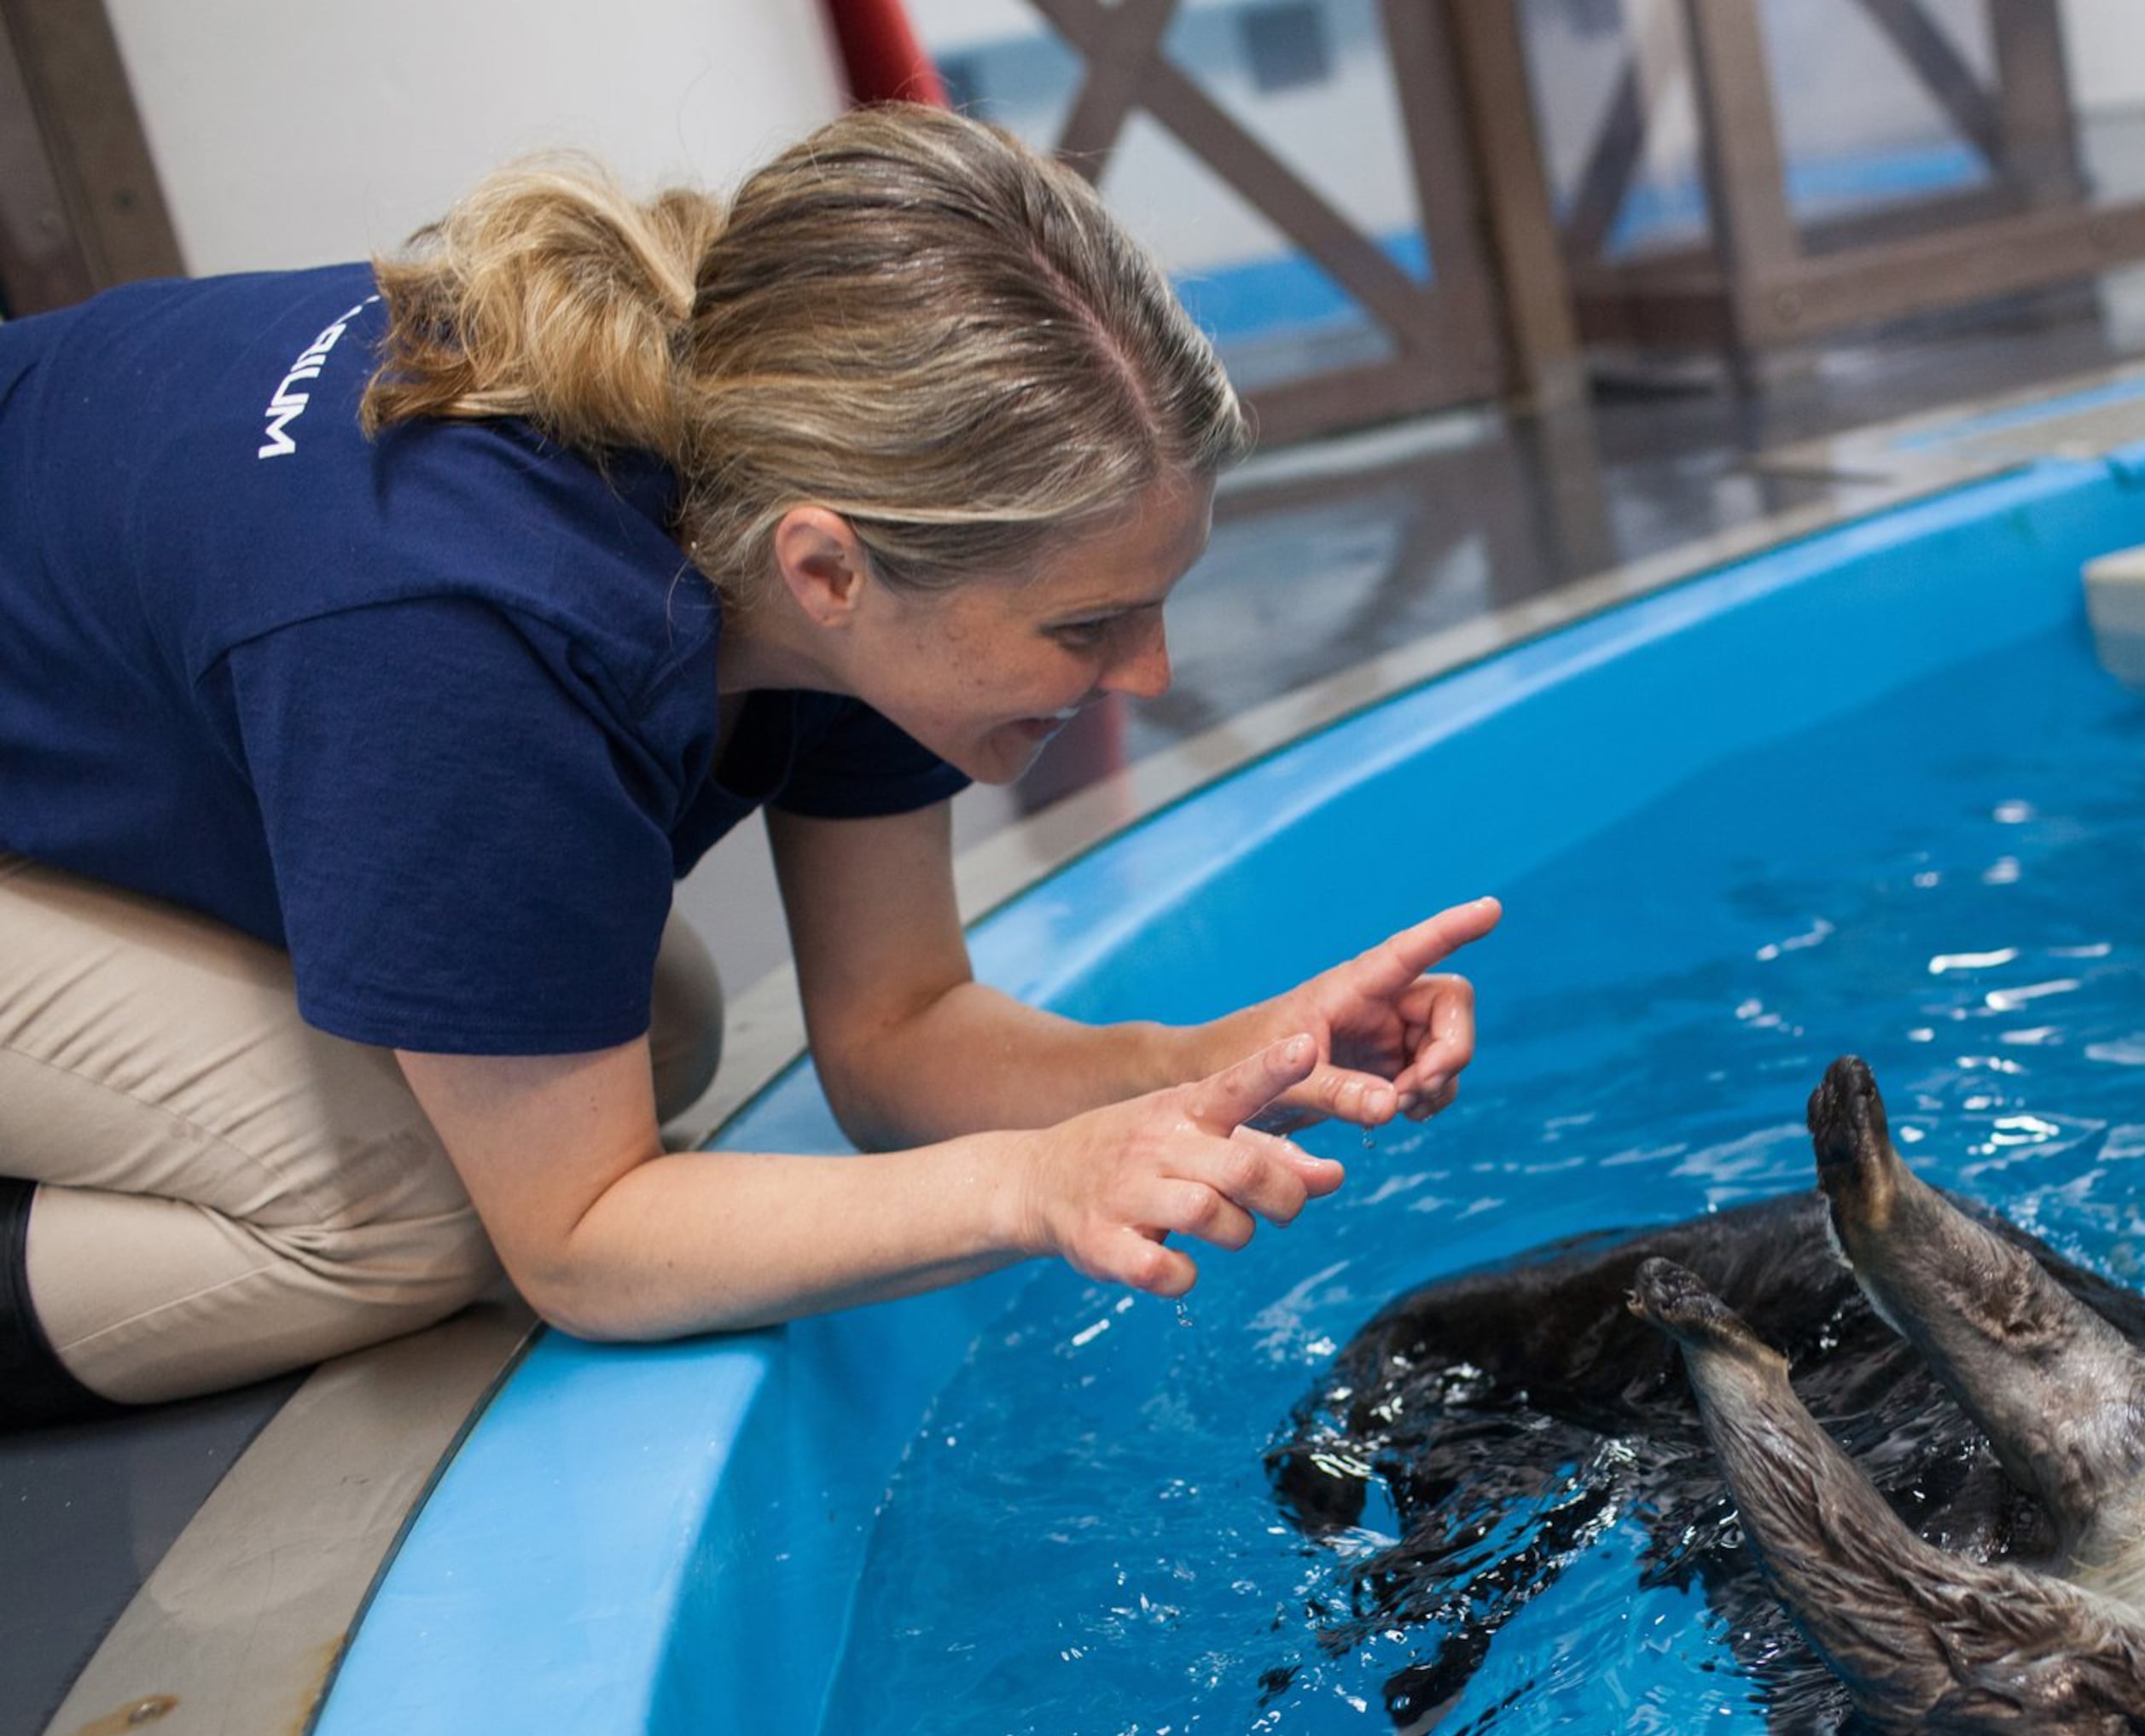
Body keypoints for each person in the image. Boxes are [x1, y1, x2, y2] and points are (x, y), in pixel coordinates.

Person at [0, 105, 1499, 1429]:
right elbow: (582, 1246)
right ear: (827, 571)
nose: (1149, 674)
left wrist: (1213, 1070)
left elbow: (896, 1035)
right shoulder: (460, 631)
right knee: (406, 1214)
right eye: (1090, 623)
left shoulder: (801, 468)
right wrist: (1033, 1186)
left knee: (655, 1023)